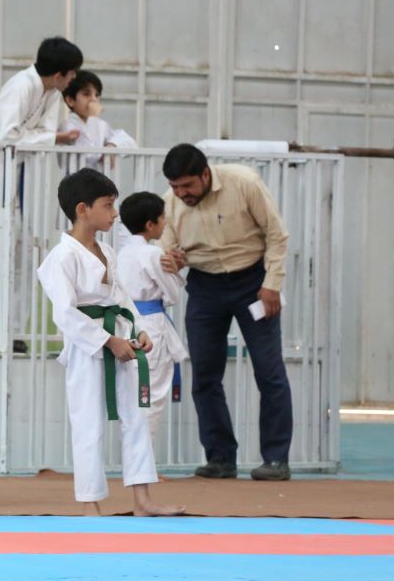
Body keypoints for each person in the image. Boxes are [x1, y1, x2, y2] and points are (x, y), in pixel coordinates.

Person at [36, 169, 183, 516]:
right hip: (87, 347)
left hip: (121, 338)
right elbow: (65, 313)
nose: (115, 214)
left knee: (137, 417)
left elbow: (123, 298)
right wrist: (106, 340)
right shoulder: (62, 256)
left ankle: (142, 500)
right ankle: (90, 503)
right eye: (107, 205)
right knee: (87, 422)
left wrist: (139, 330)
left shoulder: (107, 251)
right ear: (83, 209)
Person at [160, 143, 293, 481]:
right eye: (175, 186)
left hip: (254, 283)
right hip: (204, 286)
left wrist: (272, 284)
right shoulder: (170, 202)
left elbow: (277, 235)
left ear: (206, 174)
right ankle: (220, 458)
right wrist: (172, 260)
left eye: (187, 185)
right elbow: (167, 252)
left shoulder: (244, 183)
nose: (182, 194)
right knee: (205, 376)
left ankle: (275, 459)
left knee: (269, 371)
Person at [0, 36, 83, 350]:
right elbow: (6, 136)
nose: (73, 79)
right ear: (59, 74)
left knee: (22, 253)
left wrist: (44, 137)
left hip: (18, 173)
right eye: (71, 73)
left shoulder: (51, 93)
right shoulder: (22, 85)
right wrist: (50, 138)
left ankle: (12, 331)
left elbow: (36, 134)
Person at [118, 191, 188, 445]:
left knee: (132, 398)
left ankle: (134, 459)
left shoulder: (120, 253)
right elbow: (172, 296)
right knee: (152, 397)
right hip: (151, 327)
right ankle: (143, 462)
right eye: (162, 218)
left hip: (125, 326)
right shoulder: (153, 254)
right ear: (150, 224)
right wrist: (177, 271)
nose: (165, 223)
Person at [61, 70, 136, 173]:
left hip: (99, 180)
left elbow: (130, 143)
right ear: (70, 100)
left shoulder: (100, 125)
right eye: (86, 94)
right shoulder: (67, 127)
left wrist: (111, 146)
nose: (93, 99)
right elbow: (93, 153)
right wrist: (93, 117)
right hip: (76, 181)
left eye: (96, 95)